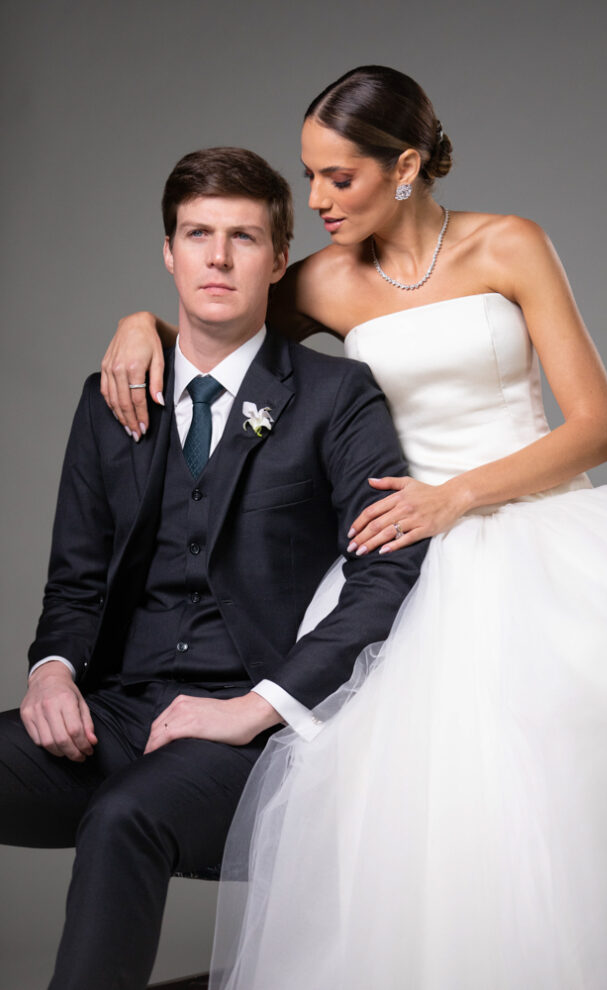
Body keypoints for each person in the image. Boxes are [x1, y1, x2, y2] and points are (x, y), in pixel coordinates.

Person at [101, 67, 607, 989]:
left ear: (405, 167)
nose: (317, 199)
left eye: (339, 177)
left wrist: (457, 497)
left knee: (581, 775)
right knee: (414, 808)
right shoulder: (322, 280)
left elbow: (597, 427)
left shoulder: (509, 243)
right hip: (409, 557)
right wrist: (138, 323)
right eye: (310, 176)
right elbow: (216, 332)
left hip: (546, 533)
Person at [0, 145, 428, 990]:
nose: (219, 258)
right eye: (198, 234)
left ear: (280, 257)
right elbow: (76, 579)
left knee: (123, 820)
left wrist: (255, 708)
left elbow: (385, 576)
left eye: (244, 237)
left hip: (250, 734)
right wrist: (51, 672)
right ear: (169, 252)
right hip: (114, 714)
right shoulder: (111, 396)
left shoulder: (337, 397)